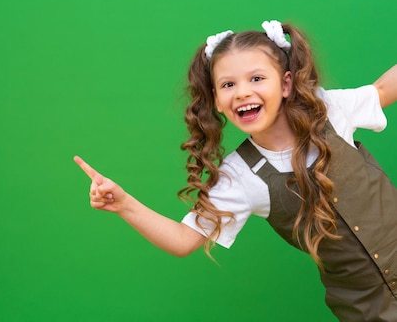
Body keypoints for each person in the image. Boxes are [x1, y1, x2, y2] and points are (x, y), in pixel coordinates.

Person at [74, 20, 397, 321]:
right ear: (216, 100)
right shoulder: (238, 177)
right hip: (367, 308)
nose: (242, 92)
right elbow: (185, 239)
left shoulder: (328, 112)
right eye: (228, 84)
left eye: (256, 78)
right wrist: (124, 204)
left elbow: (382, 90)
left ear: (286, 84)